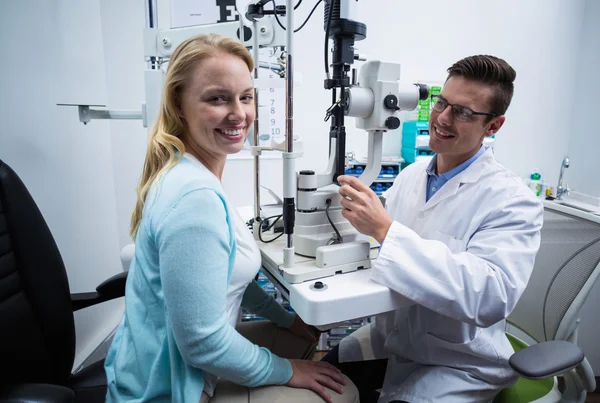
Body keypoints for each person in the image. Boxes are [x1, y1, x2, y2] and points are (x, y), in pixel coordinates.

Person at [104, 34, 358, 403]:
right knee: (343, 392)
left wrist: (286, 318)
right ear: (179, 104)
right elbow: (204, 345)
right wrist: (288, 371)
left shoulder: (188, 172)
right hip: (171, 388)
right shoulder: (196, 200)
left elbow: (224, 279)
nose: (239, 113)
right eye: (217, 98)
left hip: (165, 361)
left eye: (246, 96)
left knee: (298, 338)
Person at [322, 55, 544, 403]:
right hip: (393, 338)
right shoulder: (412, 176)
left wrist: (385, 230)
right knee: (324, 374)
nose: (442, 118)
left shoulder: (512, 200)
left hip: (458, 360)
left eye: (464, 112)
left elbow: (490, 296)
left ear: (494, 126)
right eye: (442, 103)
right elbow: (376, 244)